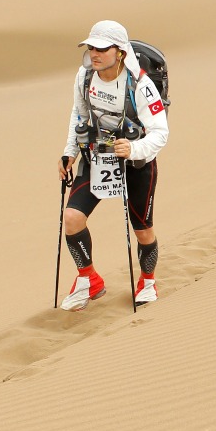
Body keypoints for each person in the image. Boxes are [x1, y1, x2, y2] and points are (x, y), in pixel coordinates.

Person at [57, 20, 169, 311]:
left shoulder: (141, 85)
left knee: (143, 230)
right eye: (91, 47)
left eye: (102, 48)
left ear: (120, 52)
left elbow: (160, 132)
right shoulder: (84, 76)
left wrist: (133, 149)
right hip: (97, 156)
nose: (94, 54)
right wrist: (70, 152)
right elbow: (79, 115)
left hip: (137, 163)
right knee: (72, 218)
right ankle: (88, 279)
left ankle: (147, 281)